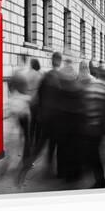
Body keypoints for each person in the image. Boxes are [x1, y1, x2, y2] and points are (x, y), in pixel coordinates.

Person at [18, 52, 63, 184]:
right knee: (56, 143)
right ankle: (57, 169)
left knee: (41, 142)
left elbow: (39, 94)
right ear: (59, 62)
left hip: (43, 112)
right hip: (55, 116)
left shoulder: (45, 76)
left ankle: (29, 166)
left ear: (52, 61)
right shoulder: (58, 77)